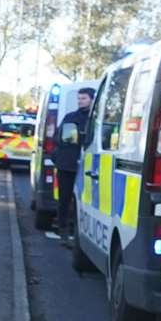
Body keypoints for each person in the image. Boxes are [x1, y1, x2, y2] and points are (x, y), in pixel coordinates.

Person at [47, 87, 93, 243]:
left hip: (90, 167)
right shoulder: (70, 117)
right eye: (79, 98)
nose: (80, 101)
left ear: (92, 100)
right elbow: (58, 138)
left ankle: (79, 232)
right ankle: (63, 231)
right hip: (67, 163)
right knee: (64, 199)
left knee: (85, 202)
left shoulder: (97, 119)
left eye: (84, 98)